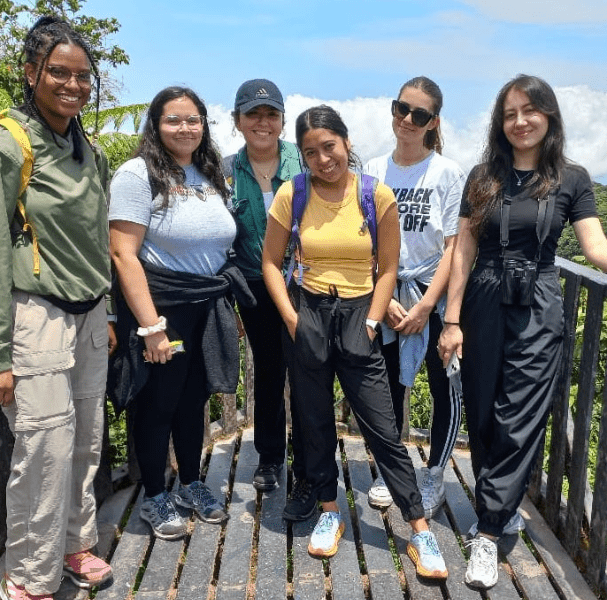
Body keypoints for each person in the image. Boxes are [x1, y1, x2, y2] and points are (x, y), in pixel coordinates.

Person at [437, 74, 607, 589]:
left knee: (519, 414)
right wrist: (452, 318)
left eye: (530, 111)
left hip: (538, 300)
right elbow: (462, 249)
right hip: (484, 295)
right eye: (509, 113)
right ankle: (499, 505)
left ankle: (486, 532)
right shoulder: (483, 175)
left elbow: (594, 249)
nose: (520, 121)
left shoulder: (570, 178)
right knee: (483, 408)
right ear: (499, 123)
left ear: (549, 116)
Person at [0, 16, 115, 600]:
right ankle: (28, 574)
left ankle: (75, 543)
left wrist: (110, 314)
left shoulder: (85, 148)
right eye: (58, 72)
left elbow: (95, 238)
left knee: (84, 441)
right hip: (35, 316)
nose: (73, 85)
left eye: (82, 75)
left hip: (89, 314)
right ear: (31, 72)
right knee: (43, 448)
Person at [261, 105, 447, 579]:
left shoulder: (374, 194)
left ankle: (418, 528)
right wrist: (291, 317)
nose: (323, 159)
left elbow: (387, 267)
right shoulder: (292, 193)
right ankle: (329, 510)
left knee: (383, 428)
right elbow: (270, 262)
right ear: (301, 156)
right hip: (310, 312)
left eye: (330, 147)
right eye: (310, 152)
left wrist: (371, 321)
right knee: (313, 419)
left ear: (345, 143)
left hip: (360, 313)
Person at [109, 86, 249, 541]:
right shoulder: (138, 175)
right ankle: (154, 493)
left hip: (205, 305)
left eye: (194, 119)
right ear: (155, 124)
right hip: (162, 307)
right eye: (174, 120)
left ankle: (190, 482)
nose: (185, 128)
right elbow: (123, 253)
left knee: (194, 399)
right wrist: (151, 328)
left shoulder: (209, 173)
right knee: (157, 401)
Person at [363, 76, 464, 517]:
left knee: (444, 388)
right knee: (385, 391)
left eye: (418, 115)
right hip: (386, 294)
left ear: (433, 122)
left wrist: (426, 306)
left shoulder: (447, 172)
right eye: (401, 108)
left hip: (434, 299)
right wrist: (384, 300)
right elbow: (362, 239)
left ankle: (435, 473)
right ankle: (391, 469)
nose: (406, 120)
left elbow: (454, 248)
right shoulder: (371, 169)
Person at [221, 79, 304, 492]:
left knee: (310, 369)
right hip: (254, 285)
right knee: (269, 372)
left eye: (271, 114)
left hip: (306, 284)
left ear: (283, 121)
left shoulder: (304, 163)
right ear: (238, 120)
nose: (262, 122)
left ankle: (309, 452)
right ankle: (271, 457)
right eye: (253, 114)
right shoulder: (223, 172)